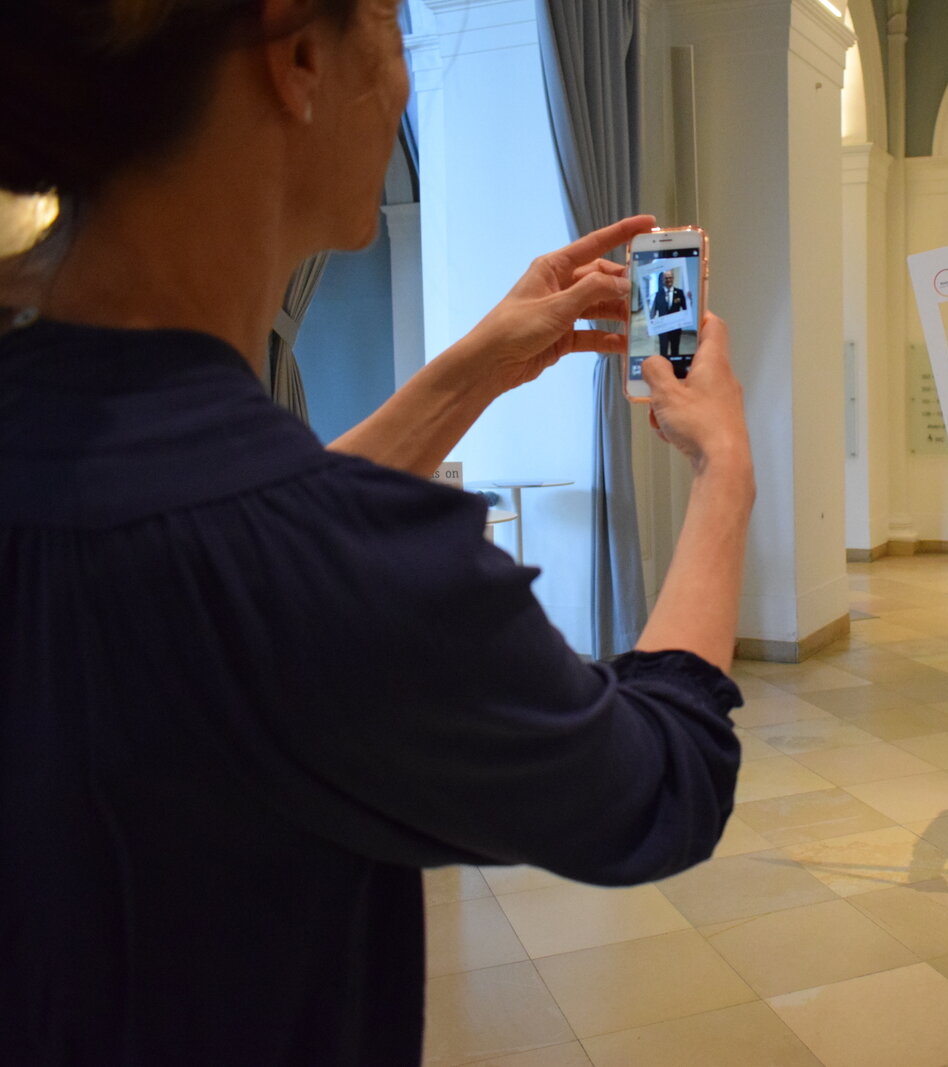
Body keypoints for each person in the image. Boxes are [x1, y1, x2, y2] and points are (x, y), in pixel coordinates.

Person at [0, 1, 754, 1062]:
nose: (403, 86)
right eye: (396, 32)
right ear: (299, 54)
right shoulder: (345, 564)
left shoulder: (117, 476)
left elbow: (222, 528)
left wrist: (479, 361)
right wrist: (723, 467)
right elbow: (662, 783)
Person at [651, 268, 688, 358]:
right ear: (663, 280)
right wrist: (650, 326)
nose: (668, 280)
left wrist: (690, 300)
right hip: (663, 329)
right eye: (666, 278)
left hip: (675, 328)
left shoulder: (680, 293)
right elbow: (653, 312)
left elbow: (686, 308)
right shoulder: (658, 294)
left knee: (675, 352)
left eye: (670, 278)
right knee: (663, 352)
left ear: (673, 278)